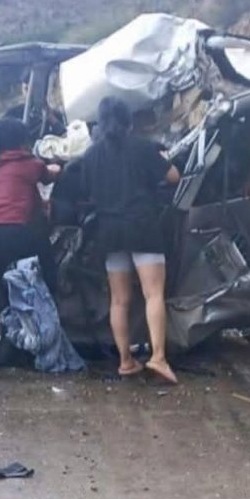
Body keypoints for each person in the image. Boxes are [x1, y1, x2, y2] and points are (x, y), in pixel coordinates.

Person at [81, 96, 181, 383]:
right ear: (129, 122)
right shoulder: (142, 148)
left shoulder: (91, 155)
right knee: (153, 294)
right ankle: (158, 358)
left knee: (119, 300)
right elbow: (174, 176)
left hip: (109, 232)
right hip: (142, 227)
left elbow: (85, 191)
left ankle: (126, 361)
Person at [0, 117, 61, 379]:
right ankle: (50, 335)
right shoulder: (30, 164)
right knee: (47, 278)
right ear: (23, 140)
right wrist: (59, 164)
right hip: (21, 233)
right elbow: (51, 174)